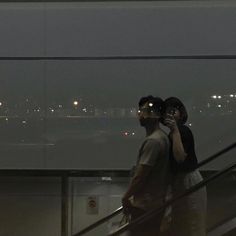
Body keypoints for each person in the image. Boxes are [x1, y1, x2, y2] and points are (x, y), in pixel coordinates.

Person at [122, 95, 170, 236]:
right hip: (156, 203)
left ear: (155, 115)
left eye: (145, 111)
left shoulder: (153, 142)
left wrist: (126, 197)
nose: (141, 114)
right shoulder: (162, 137)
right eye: (141, 110)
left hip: (145, 205)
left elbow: (141, 175)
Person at [163, 97, 207, 236]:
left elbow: (180, 157)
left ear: (180, 113)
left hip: (189, 180)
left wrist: (175, 130)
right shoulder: (172, 133)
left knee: (194, 222)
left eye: (173, 111)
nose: (169, 115)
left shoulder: (182, 131)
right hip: (182, 181)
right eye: (166, 112)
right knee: (186, 223)